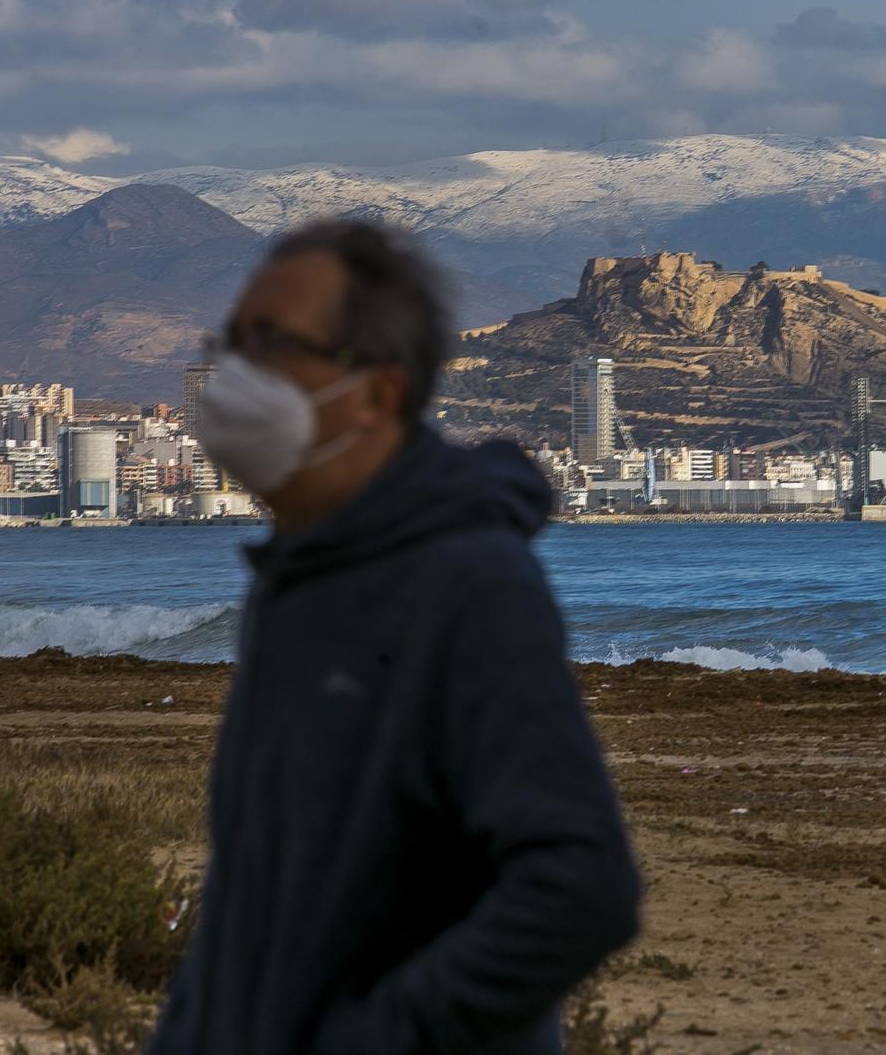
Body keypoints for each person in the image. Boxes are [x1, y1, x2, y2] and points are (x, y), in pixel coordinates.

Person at [148, 220, 640, 1055]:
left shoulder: (468, 582)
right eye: (230, 343)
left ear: (376, 392)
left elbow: (580, 887)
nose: (234, 377)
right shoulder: (297, 579)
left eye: (270, 345)